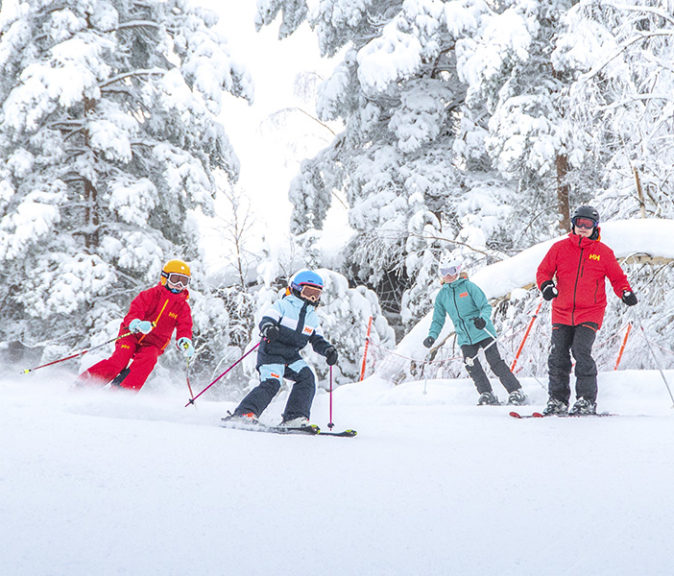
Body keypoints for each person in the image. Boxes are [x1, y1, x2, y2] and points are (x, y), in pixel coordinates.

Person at [537, 205, 637, 415]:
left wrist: (625, 292)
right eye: (579, 223)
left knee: (581, 351)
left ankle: (586, 400)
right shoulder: (559, 248)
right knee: (558, 356)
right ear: (573, 224)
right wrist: (546, 286)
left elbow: (618, 278)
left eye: (588, 224)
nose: (582, 228)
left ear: (595, 227)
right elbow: (543, 271)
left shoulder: (603, 253)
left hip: (590, 311)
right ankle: (557, 400)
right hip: (562, 311)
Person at [226, 269, 338, 428]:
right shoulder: (283, 305)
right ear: (297, 289)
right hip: (272, 352)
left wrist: (328, 350)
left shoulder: (312, 317)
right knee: (272, 383)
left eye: (317, 294)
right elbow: (267, 320)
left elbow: (317, 339)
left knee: (307, 377)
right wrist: (269, 328)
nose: (313, 298)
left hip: (291, 356)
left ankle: (294, 417)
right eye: (309, 292)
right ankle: (245, 413)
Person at [422, 259, 527, 406]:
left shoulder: (469, 287)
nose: (448, 275)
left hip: (482, 331)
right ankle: (487, 394)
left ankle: (516, 392)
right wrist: (432, 336)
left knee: (494, 362)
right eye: (444, 272)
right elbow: (438, 319)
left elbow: (485, 306)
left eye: (451, 271)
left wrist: (482, 319)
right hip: (465, 337)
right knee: (471, 365)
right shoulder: (442, 296)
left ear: (457, 270)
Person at [79, 259, 194, 391]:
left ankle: (123, 390)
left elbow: (185, 326)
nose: (179, 284)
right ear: (165, 278)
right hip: (132, 335)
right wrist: (136, 324)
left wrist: (184, 341)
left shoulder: (183, 307)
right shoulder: (150, 295)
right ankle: (86, 383)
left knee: (149, 359)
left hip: (154, 344)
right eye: (175, 279)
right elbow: (135, 312)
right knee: (119, 361)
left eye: (183, 281)